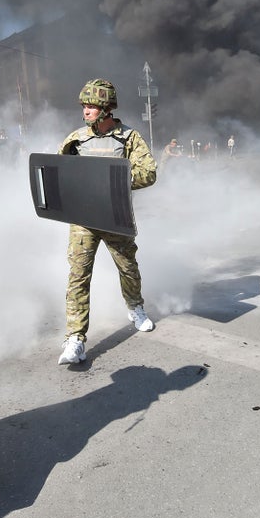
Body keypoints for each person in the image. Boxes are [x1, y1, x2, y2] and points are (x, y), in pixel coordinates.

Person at [57, 78, 157, 365]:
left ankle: (136, 307)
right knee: (78, 274)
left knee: (128, 268)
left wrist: (113, 181)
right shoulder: (76, 139)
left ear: (105, 109)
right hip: (83, 219)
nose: (85, 111)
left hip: (115, 216)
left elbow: (148, 173)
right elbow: (58, 173)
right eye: (84, 106)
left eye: (90, 106)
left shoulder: (129, 138)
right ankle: (75, 337)